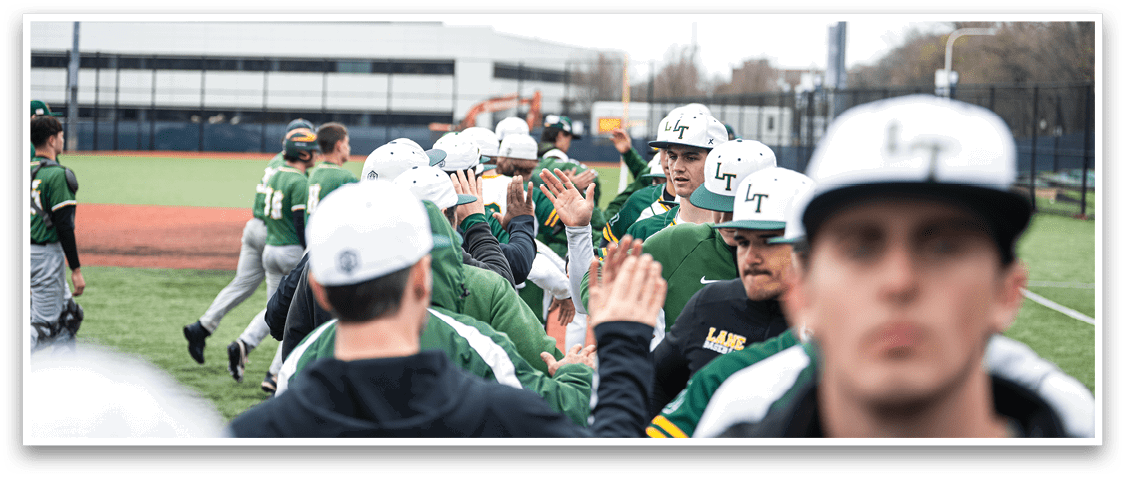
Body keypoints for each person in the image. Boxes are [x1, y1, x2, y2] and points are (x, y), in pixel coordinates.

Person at [706, 94, 1087, 438]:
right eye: (859, 248)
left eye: (943, 246)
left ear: (1007, 290)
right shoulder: (741, 406)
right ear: (802, 292)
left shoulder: (1080, 424)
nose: (898, 282)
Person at [227, 180, 666, 437]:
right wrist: (615, 349)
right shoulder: (498, 409)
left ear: (320, 291)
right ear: (423, 279)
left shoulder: (257, 428)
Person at [649, 166, 812, 416]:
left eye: (768, 241)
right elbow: (657, 382)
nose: (751, 257)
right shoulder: (710, 304)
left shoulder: (835, 328)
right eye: (743, 242)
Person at [183, 118, 314, 365]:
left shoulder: (277, 160)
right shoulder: (297, 169)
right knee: (284, 302)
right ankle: (256, 353)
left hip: (254, 227)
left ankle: (203, 326)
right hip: (276, 233)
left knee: (242, 283)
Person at [228, 130, 319, 393]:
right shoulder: (299, 180)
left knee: (274, 309)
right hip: (291, 251)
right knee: (293, 314)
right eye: (312, 150)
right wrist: (306, 251)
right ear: (303, 153)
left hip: (270, 249)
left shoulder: (276, 173)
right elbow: (301, 222)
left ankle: (245, 343)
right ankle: (274, 374)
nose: (316, 154)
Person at [622, 111, 729, 240]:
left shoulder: (737, 237)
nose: (677, 167)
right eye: (672, 156)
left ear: (718, 161)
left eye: (690, 158)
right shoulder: (644, 230)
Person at [30, 114, 85, 353]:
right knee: (43, 328)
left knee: (71, 316)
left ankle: (62, 374)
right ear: (52, 140)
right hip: (45, 258)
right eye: (62, 136)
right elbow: (64, 227)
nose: (63, 140)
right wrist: (76, 269)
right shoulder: (59, 175)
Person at [303, 122, 358, 219]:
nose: (349, 148)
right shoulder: (346, 178)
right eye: (347, 143)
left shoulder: (314, 174)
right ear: (339, 145)